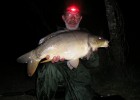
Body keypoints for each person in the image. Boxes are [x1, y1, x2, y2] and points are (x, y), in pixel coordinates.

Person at [36, 5, 99, 100]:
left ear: (80, 18)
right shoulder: (56, 37)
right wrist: (51, 59)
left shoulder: (88, 36)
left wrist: (89, 55)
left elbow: (94, 64)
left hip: (79, 75)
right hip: (58, 72)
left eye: (76, 15)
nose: (73, 18)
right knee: (49, 68)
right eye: (69, 15)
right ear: (63, 18)